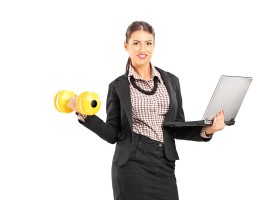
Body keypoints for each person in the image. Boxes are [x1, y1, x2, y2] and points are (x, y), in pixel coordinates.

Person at [67, 21, 225, 200]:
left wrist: (209, 129)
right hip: (132, 164)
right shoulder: (118, 86)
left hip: (165, 164)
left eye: (148, 43)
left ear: (154, 45)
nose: (143, 49)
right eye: (136, 43)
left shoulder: (171, 81)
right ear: (126, 45)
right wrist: (83, 112)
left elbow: (177, 126)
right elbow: (112, 134)